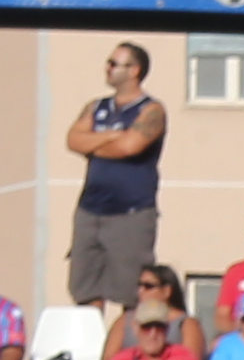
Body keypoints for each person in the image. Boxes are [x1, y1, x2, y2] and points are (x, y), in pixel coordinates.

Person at [60, 43, 165, 326]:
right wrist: (111, 137)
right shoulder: (96, 107)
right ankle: (91, 346)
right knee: (85, 288)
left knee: (132, 291)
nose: (107, 68)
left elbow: (130, 146)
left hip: (130, 212)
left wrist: (94, 143)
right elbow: (73, 140)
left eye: (114, 63)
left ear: (134, 70)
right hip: (90, 210)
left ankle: (126, 345)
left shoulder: (151, 110)